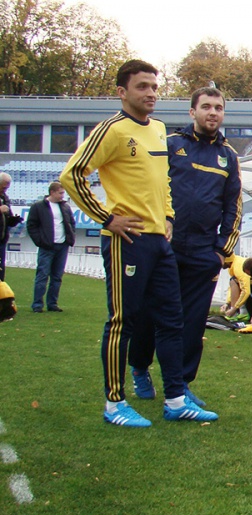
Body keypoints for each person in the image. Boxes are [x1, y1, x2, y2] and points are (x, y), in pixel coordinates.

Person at [59, 59, 218, 427]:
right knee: (122, 322)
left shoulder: (159, 129)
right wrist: (107, 218)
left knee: (172, 320)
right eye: (142, 86)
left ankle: (175, 400)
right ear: (122, 92)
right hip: (126, 240)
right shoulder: (112, 130)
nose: (151, 93)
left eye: (154, 87)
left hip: (159, 241)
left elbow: (163, 181)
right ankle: (114, 404)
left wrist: (168, 217)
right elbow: (72, 176)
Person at [128, 86, 242, 406]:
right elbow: (148, 187)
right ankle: (139, 367)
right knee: (150, 314)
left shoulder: (229, 157)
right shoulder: (170, 144)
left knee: (192, 322)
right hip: (165, 246)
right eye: (206, 107)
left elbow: (233, 207)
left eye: (218, 107)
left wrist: (221, 250)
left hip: (204, 253)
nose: (213, 112)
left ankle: (181, 384)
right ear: (192, 112)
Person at [26, 181, 76, 313]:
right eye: (60, 193)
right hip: (47, 246)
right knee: (42, 275)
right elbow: (31, 225)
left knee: (57, 277)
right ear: (52, 192)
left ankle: (52, 303)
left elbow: (71, 223)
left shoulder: (65, 207)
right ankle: (37, 304)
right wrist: (40, 241)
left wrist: (70, 237)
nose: (62, 196)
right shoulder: (38, 207)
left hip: (62, 245)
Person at [0, 172, 23, 281]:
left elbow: (7, 217)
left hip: (2, 239)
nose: (5, 190)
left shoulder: (5, 198)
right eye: (4, 187)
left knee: (1, 269)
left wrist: (13, 220)